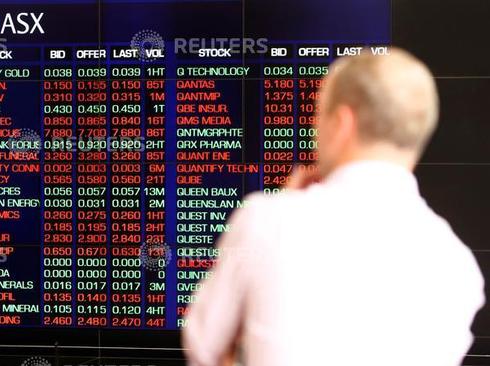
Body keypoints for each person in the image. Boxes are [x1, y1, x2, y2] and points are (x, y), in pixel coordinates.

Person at [182, 48, 485, 366]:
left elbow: (204, 348)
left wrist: (280, 205)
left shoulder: (266, 220)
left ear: (341, 123)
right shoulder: (460, 269)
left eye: (317, 113)